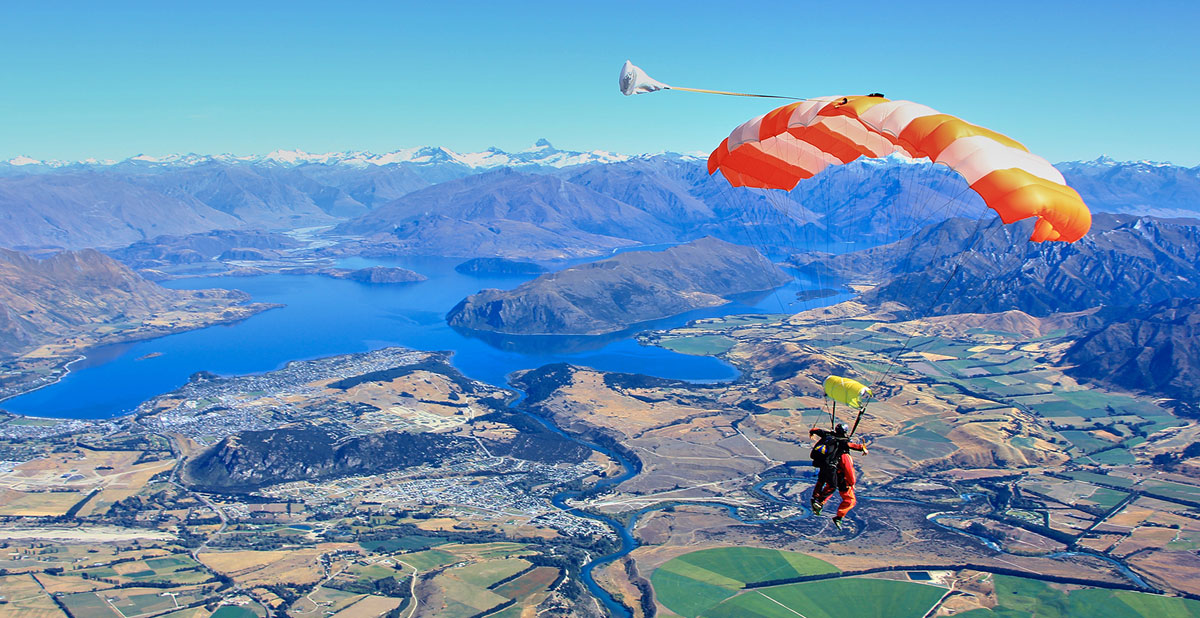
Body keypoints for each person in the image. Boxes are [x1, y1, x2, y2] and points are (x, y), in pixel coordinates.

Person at [809, 422, 867, 529]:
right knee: (840, 493)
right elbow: (849, 454)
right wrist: (861, 447)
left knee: (822, 482)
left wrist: (812, 432)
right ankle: (836, 514)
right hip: (838, 475)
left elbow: (817, 430)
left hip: (823, 465)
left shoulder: (828, 436)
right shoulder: (843, 446)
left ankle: (817, 500)